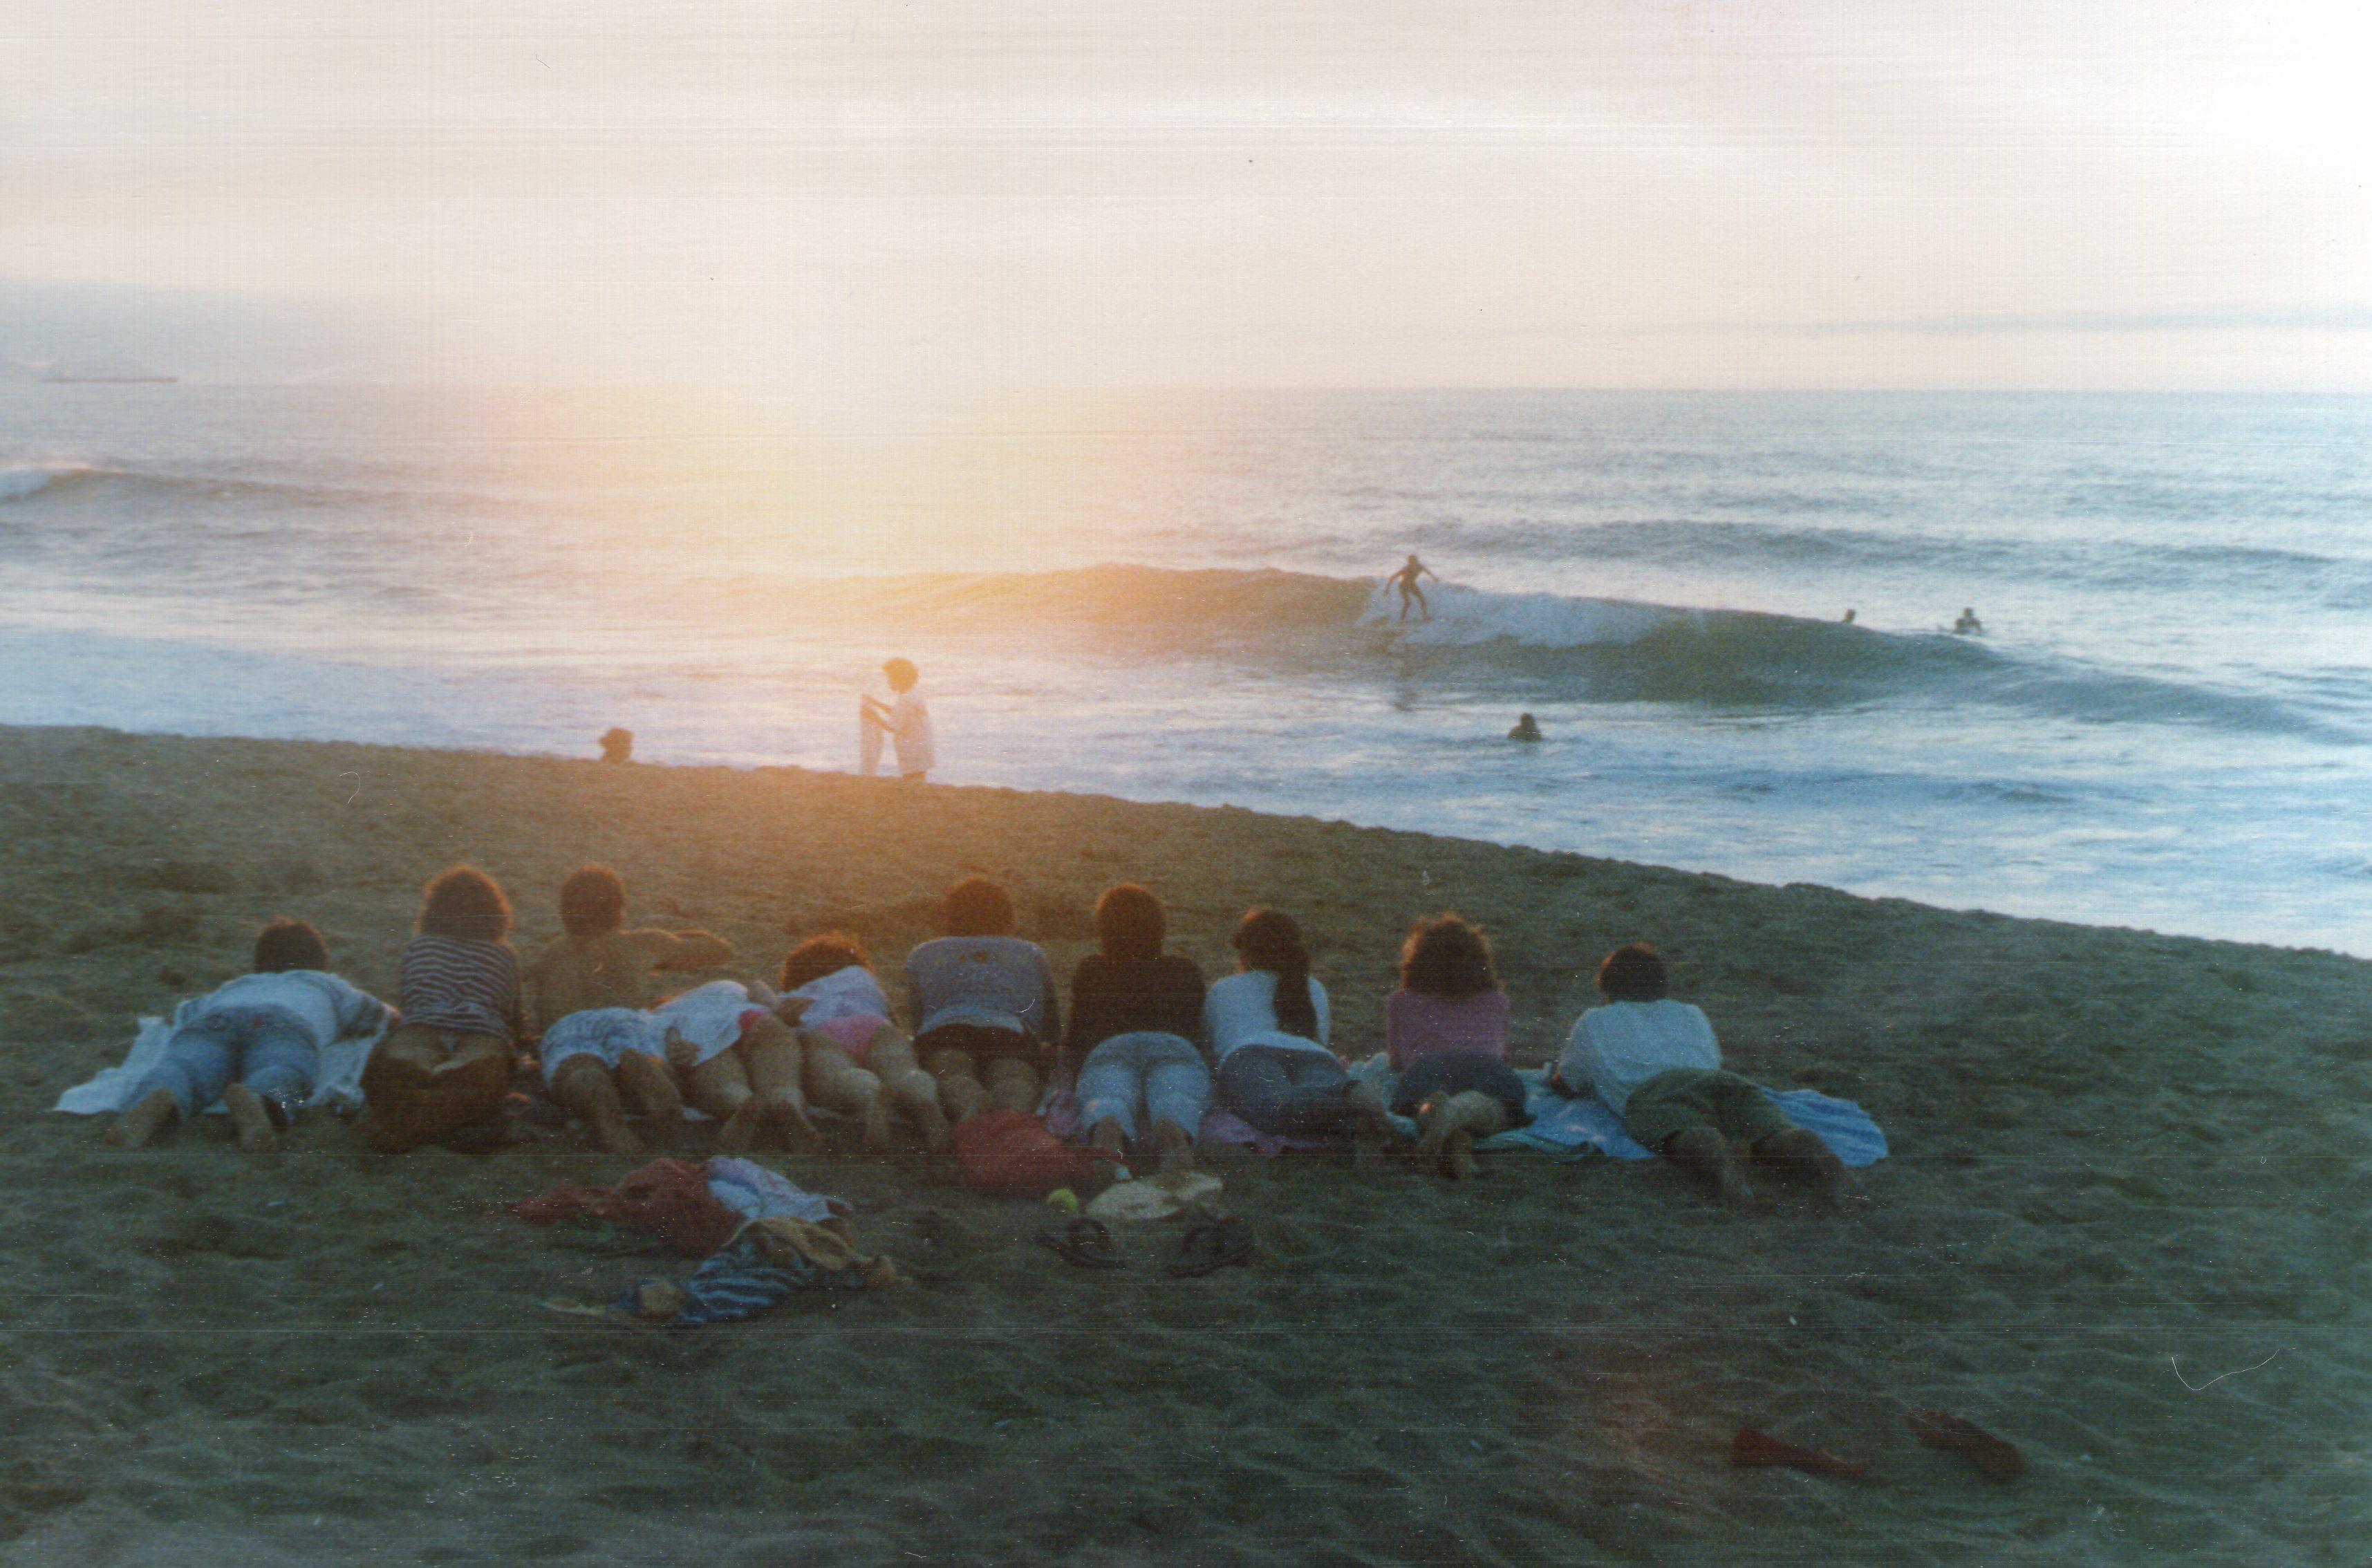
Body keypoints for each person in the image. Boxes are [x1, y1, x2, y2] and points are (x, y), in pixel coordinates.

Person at [1552, 942, 1850, 1207]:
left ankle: (1721, 1157)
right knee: (1769, 1127)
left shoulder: (1595, 1020)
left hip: (1655, 1090)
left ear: (1608, 987)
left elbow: (1566, 1085)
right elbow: (1713, 1061)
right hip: (1720, 1083)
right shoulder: (1692, 1012)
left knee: (1683, 1130)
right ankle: (1807, 1145)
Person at [104, 918, 393, 1154]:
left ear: (259, 964)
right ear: (319, 964)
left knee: (185, 1066)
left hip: (217, 1019)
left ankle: (162, 1094)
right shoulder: (326, 983)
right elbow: (377, 1015)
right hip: (284, 1023)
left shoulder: (237, 984)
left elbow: (186, 1014)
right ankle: (261, 1099)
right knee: (285, 1069)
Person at [527, 864, 735, 1155]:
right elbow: (719, 950)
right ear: (619, 909)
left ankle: (603, 1112)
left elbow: (538, 1011)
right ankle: (645, 1069)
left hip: (569, 1026)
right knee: (650, 1055)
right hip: (625, 1019)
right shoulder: (642, 943)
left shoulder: (552, 952)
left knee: (578, 1069)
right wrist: (674, 937)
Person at [362, 866, 525, 1155]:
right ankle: (438, 1104)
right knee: (473, 1076)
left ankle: (411, 1109)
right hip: (480, 1030)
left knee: (406, 1068)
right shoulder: (504, 954)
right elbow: (513, 1018)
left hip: (424, 1024)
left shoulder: (420, 945)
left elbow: (409, 1000)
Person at [1208, 908, 1393, 1152]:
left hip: (1249, 1053)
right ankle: (1359, 1111)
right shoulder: (1312, 987)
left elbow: (1215, 1046)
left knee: (1274, 1109)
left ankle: (1349, 1096)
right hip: (1315, 1056)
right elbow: (1320, 1040)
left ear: (1244, 949)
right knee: (1325, 1108)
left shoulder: (1224, 988)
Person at [1065, 884, 1209, 1175]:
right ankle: (1172, 1127)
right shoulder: (1185, 969)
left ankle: (1109, 1126)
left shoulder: (1091, 969)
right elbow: (1198, 1031)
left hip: (1110, 1046)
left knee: (1107, 1093)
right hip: (1171, 1044)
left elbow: (1077, 1037)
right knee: (1175, 1092)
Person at [775, 932, 950, 1155]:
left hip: (824, 1031)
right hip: (873, 1024)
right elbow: (894, 1021)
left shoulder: (791, 995)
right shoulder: (862, 979)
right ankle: (925, 1102)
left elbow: (782, 1031)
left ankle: (869, 1096)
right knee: (903, 1071)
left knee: (840, 1075)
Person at [904, 877, 1061, 1121]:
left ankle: (971, 1106)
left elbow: (919, 1015)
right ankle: (1011, 1117)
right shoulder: (1028, 952)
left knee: (953, 1075)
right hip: (1007, 1028)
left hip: (945, 1028)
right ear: (1006, 915)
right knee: (1014, 1076)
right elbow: (1048, 1019)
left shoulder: (923, 953)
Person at [1385, 914, 1528, 1179]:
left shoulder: (1400, 1000)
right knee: (1489, 1107)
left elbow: (1397, 1062)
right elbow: (1503, 1055)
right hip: (1486, 1065)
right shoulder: (1497, 1000)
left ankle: (1441, 1114)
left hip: (1429, 1066)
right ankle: (1458, 1121)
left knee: (1423, 1105)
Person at [859, 657, 935, 780]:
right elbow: (900, 714)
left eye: (890, 679)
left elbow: (892, 727)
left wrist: (872, 716)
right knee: (919, 779)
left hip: (911, 748)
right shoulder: (915, 692)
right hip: (923, 744)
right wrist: (875, 703)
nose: (888, 683)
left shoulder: (904, 700)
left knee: (912, 780)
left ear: (899, 680)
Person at [1388, 554, 1438, 624]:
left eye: (1414, 561)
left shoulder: (1420, 567)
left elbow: (1428, 572)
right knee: (1408, 603)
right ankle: (1401, 621)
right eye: (1411, 562)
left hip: (1412, 585)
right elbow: (1392, 577)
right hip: (1403, 585)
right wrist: (1387, 589)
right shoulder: (1405, 569)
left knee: (1422, 600)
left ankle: (1424, 617)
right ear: (1409, 562)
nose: (1412, 563)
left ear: (1416, 561)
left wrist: (1434, 578)